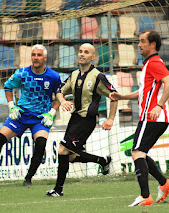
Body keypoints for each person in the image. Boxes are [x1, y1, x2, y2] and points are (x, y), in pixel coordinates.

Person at [0, 44, 61, 186]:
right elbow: (8, 87)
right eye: (34, 55)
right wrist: (12, 106)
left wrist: (52, 112)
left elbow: (58, 97)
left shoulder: (54, 76)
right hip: (21, 115)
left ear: (45, 58)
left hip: (41, 118)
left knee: (41, 144)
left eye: (39, 55)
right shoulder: (22, 73)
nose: (36, 58)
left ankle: (28, 178)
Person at [109, 30, 169, 206]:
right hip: (154, 118)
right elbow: (144, 92)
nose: (139, 45)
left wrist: (159, 105)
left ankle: (145, 196)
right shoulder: (150, 64)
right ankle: (164, 183)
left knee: (137, 152)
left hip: (152, 117)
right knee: (140, 152)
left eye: (142, 41)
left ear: (153, 44)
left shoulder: (154, 63)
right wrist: (122, 97)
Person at [45, 43, 118, 197]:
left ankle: (58, 190)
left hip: (87, 120)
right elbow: (59, 91)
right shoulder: (74, 75)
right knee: (71, 156)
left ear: (93, 57)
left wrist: (111, 118)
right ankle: (103, 161)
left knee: (63, 150)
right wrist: (63, 101)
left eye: (86, 52)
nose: (82, 54)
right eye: (80, 51)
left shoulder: (98, 76)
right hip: (75, 118)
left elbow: (114, 96)